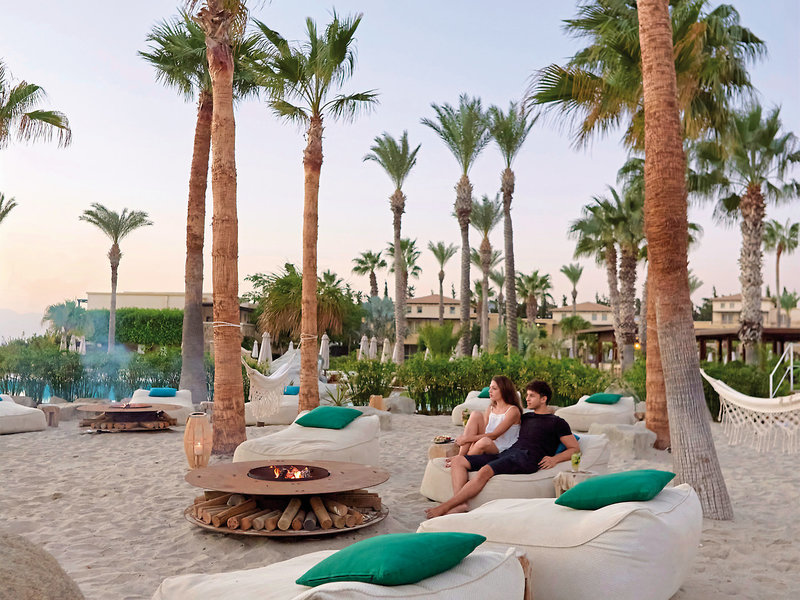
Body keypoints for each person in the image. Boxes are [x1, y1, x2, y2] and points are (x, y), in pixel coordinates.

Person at [424, 379, 579, 519]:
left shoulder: (557, 422)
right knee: (458, 461)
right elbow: (499, 423)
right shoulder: (526, 417)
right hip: (509, 453)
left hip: (527, 458)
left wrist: (554, 459)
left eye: (532, 396)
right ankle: (460, 504)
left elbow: (575, 448)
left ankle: (445, 506)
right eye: (526, 395)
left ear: (544, 399)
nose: (527, 398)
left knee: (485, 471)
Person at [453, 375, 522, 459]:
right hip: (489, 440)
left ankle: (464, 459)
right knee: (475, 414)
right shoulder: (491, 408)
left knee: (484, 442)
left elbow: (494, 435)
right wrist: (470, 439)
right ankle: (460, 456)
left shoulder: (513, 410)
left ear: (504, 390)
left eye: (494, 388)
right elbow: (485, 432)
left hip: (502, 447)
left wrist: (466, 439)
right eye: (490, 388)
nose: (490, 391)